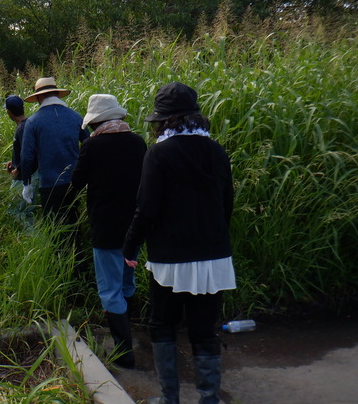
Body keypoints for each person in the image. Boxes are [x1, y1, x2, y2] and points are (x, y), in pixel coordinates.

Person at [122, 82, 235, 404]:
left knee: (163, 324)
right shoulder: (216, 151)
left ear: (163, 120)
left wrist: (130, 247)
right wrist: (214, 238)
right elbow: (227, 203)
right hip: (214, 255)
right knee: (204, 328)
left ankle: (170, 399)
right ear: (195, 116)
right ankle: (209, 398)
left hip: (170, 257)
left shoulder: (158, 153)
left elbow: (146, 208)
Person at [71, 94, 147, 369]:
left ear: (96, 122)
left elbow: (76, 182)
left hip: (105, 227)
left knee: (109, 289)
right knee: (127, 281)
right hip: (135, 225)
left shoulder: (93, 146)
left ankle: (124, 354)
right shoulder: (138, 143)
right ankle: (133, 332)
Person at [20, 77, 89, 251]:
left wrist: (26, 183)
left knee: (55, 229)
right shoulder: (75, 116)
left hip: (50, 184)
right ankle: (80, 263)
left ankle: (62, 268)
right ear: (57, 94)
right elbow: (88, 145)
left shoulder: (33, 121)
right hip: (76, 182)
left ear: (38, 97)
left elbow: (27, 156)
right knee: (74, 223)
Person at [4, 94, 37, 222]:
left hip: (25, 177)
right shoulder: (27, 124)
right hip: (31, 175)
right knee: (26, 212)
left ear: (9, 112)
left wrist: (18, 169)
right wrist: (15, 162)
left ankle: (31, 238)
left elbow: (29, 153)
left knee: (17, 212)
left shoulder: (23, 128)